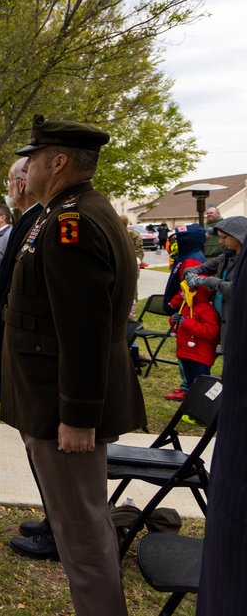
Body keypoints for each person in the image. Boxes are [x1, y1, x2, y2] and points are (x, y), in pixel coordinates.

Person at [1, 114, 146, 616]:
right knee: (81, 526)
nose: (27, 167)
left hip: (62, 409)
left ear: (57, 161)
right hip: (52, 401)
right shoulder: (67, 210)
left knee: (81, 536)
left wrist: (78, 416)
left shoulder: (74, 222)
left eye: (34, 157)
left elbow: (83, 331)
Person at [0, 157, 55, 560]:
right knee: (33, 441)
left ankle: (59, 528)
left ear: (23, 182)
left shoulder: (40, 220)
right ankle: (53, 519)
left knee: (41, 443)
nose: (8, 186)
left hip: (32, 347)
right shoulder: (32, 219)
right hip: (15, 338)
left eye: (10, 179)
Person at [197, 215, 247, 615]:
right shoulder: (229, 256)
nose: (220, 240)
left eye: (224, 235)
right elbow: (210, 266)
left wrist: (211, 284)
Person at [184, 215, 245, 353]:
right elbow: (201, 268)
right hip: (224, 319)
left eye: (224, 237)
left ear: (238, 236)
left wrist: (208, 281)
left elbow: (237, 287)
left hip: (239, 319)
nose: (220, 241)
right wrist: (189, 274)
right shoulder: (226, 256)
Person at [164, 277, 220, 401]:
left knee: (199, 381)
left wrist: (186, 323)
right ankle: (188, 394)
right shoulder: (187, 307)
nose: (182, 295)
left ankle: (200, 402)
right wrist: (173, 320)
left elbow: (210, 331)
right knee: (189, 377)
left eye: (184, 291)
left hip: (200, 355)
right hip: (186, 352)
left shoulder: (206, 310)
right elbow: (179, 327)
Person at [162, 223, 206, 310]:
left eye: (180, 239)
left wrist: (173, 304)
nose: (177, 241)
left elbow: (188, 288)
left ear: (188, 241)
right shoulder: (186, 255)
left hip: (184, 308)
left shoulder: (192, 260)